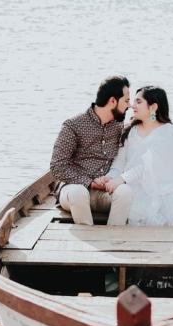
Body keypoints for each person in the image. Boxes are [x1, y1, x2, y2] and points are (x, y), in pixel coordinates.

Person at [103, 86, 173, 227]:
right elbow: (120, 161)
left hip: (159, 189)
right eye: (133, 101)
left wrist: (121, 179)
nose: (132, 106)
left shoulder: (169, 133)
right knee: (124, 196)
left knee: (154, 208)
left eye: (138, 102)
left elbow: (147, 166)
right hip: (130, 184)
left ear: (153, 107)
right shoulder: (130, 130)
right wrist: (110, 177)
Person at [49, 76, 134, 225]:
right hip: (73, 190)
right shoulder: (73, 126)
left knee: (125, 192)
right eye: (126, 101)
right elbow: (57, 166)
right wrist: (90, 183)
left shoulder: (119, 127)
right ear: (112, 101)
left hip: (105, 192)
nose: (130, 105)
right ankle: (86, 237)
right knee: (79, 193)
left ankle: (114, 235)